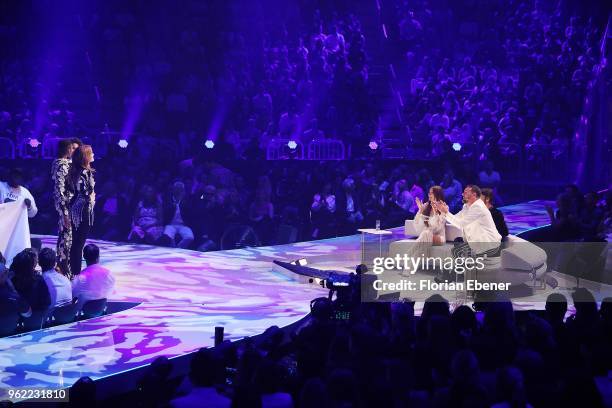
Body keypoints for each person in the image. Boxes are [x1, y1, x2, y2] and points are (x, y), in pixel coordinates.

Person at [434, 185, 502, 258]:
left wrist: (446, 212)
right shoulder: (467, 206)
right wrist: (443, 212)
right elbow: (455, 219)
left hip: (490, 246)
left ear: (474, 195)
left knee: (458, 252)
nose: (462, 194)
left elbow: (461, 224)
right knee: (457, 249)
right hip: (479, 245)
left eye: (465, 192)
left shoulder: (478, 207)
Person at [52, 138, 82, 276]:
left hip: (72, 206)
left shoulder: (68, 164)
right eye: (71, 148)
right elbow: (59, 190)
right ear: (66, 149)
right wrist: (64, 212)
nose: (73, 151)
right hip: (66, 206)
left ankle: (66, 268)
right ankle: (62, 268)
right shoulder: (60, 164)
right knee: (66, 238)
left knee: (69, 238)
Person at [68, 145, 96, 275]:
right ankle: (76, 274)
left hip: (77, 209)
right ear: (85, 156)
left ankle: (73, 271)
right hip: (82, 211)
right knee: (78, 244)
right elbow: (84, 192)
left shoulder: (76, 171)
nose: (93, 154)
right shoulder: (85, 172)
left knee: (76, 244)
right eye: (91, 153)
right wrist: (91, 198)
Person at [161, 181, 194, 248]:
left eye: (180, 189)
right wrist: (173, 204)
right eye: (176, 189)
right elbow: (165, 211)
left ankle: (178, 248)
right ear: (173, 189)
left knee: (190, 237)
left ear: (183, 190)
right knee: (168, 236)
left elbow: (190, 212)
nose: (178, 191)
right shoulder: (168, 199)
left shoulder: (186, 201)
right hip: (171, 225)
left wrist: (182, 200)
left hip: (183, 225)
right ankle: (173, 250)